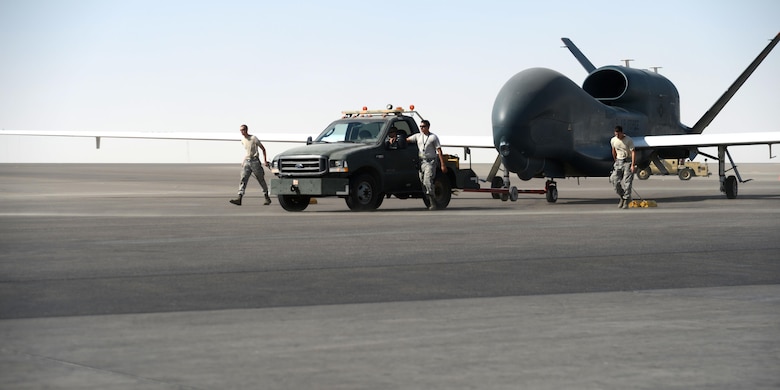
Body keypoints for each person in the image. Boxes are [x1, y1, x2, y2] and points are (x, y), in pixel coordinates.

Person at [406, 120, 447, 210]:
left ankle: (433, 203)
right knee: (423, 183)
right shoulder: (418, 136)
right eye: (420, 126)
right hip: (421, 162)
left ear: (428, 127)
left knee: (427, 181)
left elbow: (439, 151)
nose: (421, 128)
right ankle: (430, 201)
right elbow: (407, 140)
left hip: (430, 162)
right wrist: (394, 138)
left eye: (423, 126)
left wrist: (442, 164)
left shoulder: (433, 137)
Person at [229, 124, 271, 206]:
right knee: (243, 179)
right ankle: (239, 198)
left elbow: (263, 149)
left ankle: (266, 197)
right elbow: (248, 152)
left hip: (255, 161)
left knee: (260, 179)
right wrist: (244, 161)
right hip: (247, 162)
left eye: (243, 130)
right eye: (240, 130)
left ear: (246, 130)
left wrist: (265, 160)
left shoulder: (253, 138)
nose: (242, 132)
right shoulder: (242, 140)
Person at [609, 125, 636, 209]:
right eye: (616, 134)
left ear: (621, 133)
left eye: (618, 134)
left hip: (627, 161)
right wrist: (615, 160)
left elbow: (633, 152)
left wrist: (632, 165)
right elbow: (613, 150)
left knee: (627, 182)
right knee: (614, 180)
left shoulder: (628, 140)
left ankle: (626, 199)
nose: (617, 136)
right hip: (618, 161)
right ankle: (622, 196)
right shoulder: (613, 140)